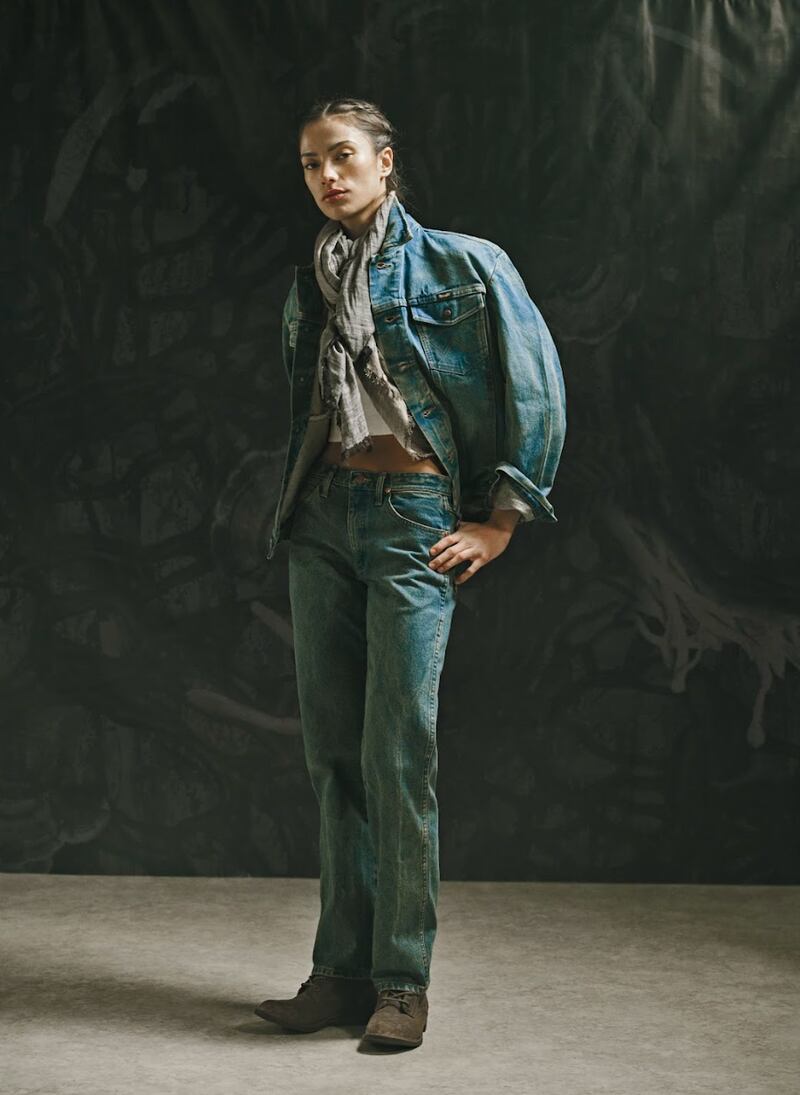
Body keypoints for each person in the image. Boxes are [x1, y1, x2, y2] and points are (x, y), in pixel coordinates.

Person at [255, 97, 566, 1049]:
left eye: (342, 156)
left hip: (411, 518)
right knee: (333, 754)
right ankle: (339, 972)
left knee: (398, 749)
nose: (326, 176)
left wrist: (500, 520)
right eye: (310, 164)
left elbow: (534, 383)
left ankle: (401, 980)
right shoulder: (311, 284)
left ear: (385, 162)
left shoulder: (463, 265)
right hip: (322, 519)